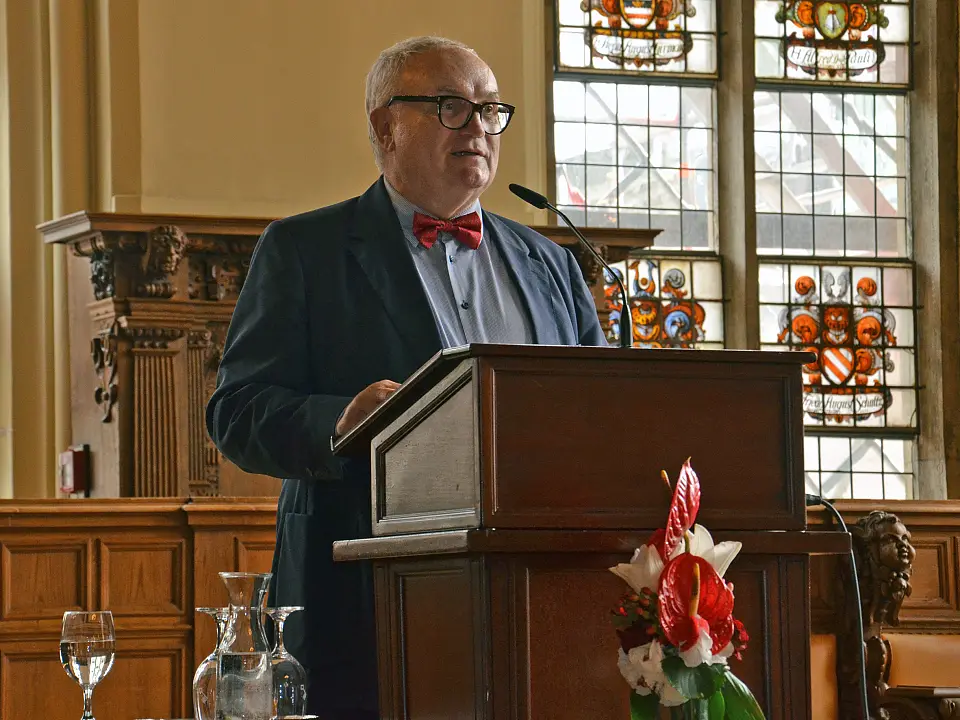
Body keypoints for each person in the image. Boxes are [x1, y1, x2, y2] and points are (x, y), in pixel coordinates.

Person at [206, 35, 606, 720]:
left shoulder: (549, 262)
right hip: (365, 599)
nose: (477, 127)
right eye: (450, 106)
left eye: (489, 109)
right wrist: (338, 422)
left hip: (541, 600)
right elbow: (237, 412)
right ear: (384, 126)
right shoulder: (306, 251)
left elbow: (604, 414)